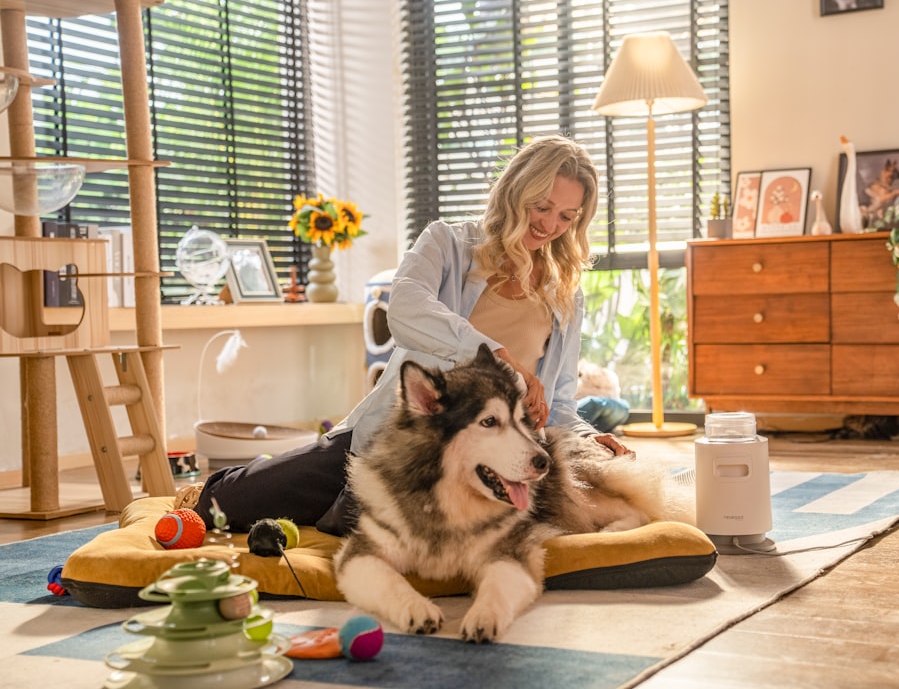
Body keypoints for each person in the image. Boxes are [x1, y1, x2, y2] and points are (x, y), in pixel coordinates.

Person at [188, 134, 631, 536]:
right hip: (393, 435)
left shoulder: (564, 294)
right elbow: (405, 308)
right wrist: (498, 356)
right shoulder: (447, 244)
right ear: (517, 191)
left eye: (567, 216)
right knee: (226, 504)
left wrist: (589, 437)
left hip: (484, 456)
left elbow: (560, 405)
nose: (549, 225)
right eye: (542, 206)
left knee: (355, 523)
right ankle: (231, 488)